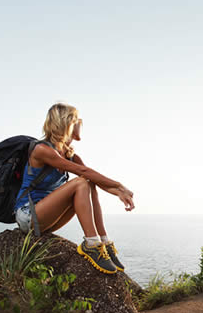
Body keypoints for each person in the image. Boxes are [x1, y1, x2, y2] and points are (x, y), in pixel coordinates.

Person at [13, 102, 135, 274]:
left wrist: (119, 193)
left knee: (88, 181)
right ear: (65, 123)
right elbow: (82, 171)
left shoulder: (70, 155)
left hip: (47, 218)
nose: (80, 123)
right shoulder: (42, 150)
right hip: (28, 215)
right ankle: (92, 244)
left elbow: (93, 178)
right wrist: (119, 185)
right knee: (81, 181)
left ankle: (104, 242)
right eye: (76, 120)